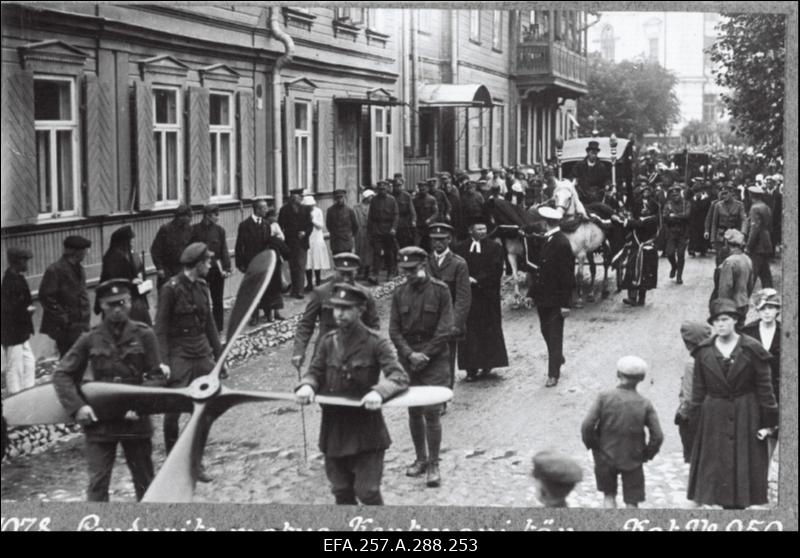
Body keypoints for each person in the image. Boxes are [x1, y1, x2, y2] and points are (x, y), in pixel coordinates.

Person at [295, 283, 409, 505]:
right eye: (336, 308)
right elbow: (315, 373)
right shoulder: (328, 342)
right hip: (334, 430)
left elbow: (399, 377)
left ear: (360, 310)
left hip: (366, 431)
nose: (339, 314)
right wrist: (307, 385)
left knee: (367, 491)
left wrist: (379, 392)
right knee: (341, 491)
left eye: (346, 309)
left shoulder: (376, 342)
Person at [52, 279, 166, 502]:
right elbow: (62, 374)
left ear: (130, 303)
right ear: (101, 306)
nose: (117, 309)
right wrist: (78, 407)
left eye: (122, 302)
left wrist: (139, 405)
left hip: (135, 421)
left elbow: (157, 376)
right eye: (110, 304)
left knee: (145, 482)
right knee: (97, 483)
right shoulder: (90, 338)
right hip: (101, 422)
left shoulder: (144, 335)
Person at [687, 299, 778, 509]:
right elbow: (698, 392)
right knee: (713, 474)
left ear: (735, 320)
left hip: (746, 415)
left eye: (725, 319)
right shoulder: (703, 352)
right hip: (713, 417)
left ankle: (736, 512)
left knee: (742, 474)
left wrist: (769, 422)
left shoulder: (753, 349)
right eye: (716, 321)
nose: (720, 324)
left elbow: (765, 390)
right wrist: (695, 422)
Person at [154, 243, 222, 483]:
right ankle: (173, 460)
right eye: (208, 262)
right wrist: (163, 362)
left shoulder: (203, 286)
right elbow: (160, 329)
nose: (211, 265)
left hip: (201, 352)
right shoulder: (170, 289)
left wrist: (219, 356)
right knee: (173, 410)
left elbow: (210, 324)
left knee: (206, 408)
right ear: (197, 264)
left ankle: (195, 462)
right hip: (180, 353)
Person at [389, 247, 454, 488]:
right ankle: (421, 459)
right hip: (409, 360)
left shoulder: (440, 291)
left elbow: (445, 327)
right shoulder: (399, 293)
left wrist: (425, 354)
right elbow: (394, 330)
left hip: (434, 359)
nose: (408, 275)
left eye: (412, 270)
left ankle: (434, 464)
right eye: (404, 271)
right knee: (414, 411)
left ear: (424, 266)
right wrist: (409, 354)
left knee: (432, 412)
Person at [581, 355, 664, 509]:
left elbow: (587, 425)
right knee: (632, 502)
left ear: (618, 374)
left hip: (605, 456)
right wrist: (646, 454)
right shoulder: (644, 403)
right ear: (642, 378)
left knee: (608, 495)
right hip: (633, 458)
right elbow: (657, 436)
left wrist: (594, 446)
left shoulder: (604, 397)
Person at [291, 253, 380, 372]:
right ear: (335, 271)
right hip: (325, 354)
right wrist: (299, 351)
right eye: (342, 274)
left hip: (356, 353)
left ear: (356, 272)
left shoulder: (365, 294)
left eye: (350, 274)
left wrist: (371, 351)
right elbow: (306, 324)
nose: (346, 279)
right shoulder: (321, 293)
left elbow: (373, 324)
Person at [454, 220, 508, 381]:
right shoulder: (460, 248)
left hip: (487, 295)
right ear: (471, 230)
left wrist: (477, 280)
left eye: (484, 228)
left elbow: (496, 268)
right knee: (469, 330)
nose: (483, 231)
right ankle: (470, 368)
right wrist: (465, 280)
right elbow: (456, 267)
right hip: (468, 296)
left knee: (487, 328)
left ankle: (487, 364)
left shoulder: (495, 247)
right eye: (479, 228)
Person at [530, 207, 574, 387]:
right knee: (545, 331)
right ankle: (558, 356)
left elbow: (567, 275)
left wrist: (565, 304)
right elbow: (541, 271)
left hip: (556, 299)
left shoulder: (561, 243)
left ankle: (553, 374)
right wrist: (531, 294)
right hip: (543, 298)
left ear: (545, 223)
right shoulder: (548, 240)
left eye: (541, 222)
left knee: (554, 334)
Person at [427, 223, 471, 389]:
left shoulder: (459, 264)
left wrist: (456, 324)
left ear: (449, 240)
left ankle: (443, 397)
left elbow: (463, 297)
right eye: (434, 240)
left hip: (448, 322)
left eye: (442, 240)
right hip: (428, 321)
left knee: (446, 360)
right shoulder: (425, 262)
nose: (438, 243)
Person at [39, 235, 92, 356]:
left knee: (80, 359)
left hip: (80, 323)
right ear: (74, 251)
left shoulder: (79, 269)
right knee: (69, 359)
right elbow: (46, 297)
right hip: (65, 327)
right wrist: (63, 317)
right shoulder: (55, 270)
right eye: (84, 250)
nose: (86, 253)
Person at [236, 199, 286, 324]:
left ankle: (269, 313)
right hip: (251, 262)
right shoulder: (245, 225)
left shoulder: (266, 224)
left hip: (264, 262)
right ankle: (254, 316)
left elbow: (268, 243)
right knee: (253, 290)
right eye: (264, 208)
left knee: (266, 288)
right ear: (257, 209)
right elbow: (239, 246)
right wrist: (240, 264)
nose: (266, 210)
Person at [96, 226, 152, 326]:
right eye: (130, 240)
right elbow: (113, 280)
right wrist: (131, 282)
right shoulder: (112, 258)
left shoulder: (130, 254)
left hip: (136, 299)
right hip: (120, 301)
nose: (132, 243)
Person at [674, 321, 711, 464]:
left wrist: (682, 414)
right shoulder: (712, 356)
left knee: (693, 457)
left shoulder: (692, 363)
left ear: (687, 343)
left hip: (694, 416)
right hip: (712, 412)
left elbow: (689, 396)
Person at [190, 204, 232, 332]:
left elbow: (224, 249)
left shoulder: (219, 230)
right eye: (216, 215)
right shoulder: (194, 230)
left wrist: (227, 267)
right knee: (200, 300)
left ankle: (218, 328)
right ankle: (202, 327)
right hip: (200, 270)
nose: (218, 218)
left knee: (217, 299)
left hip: (215, 269)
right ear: (207, 216)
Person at [1, 247, 36, 394]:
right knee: (14, 368)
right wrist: (26, 311)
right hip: (12, 332)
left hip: (21, 331)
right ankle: (14, 398)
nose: (27, 264)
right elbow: (8, 309)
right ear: (17, 261)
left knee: (29, 363)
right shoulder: (9, 282)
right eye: (24, 260)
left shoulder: (18, 278)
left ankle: (28, 394)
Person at [619, 186, 660, 307]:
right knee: (632, 269)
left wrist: (628, 222)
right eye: (642, 206)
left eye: (647, 206)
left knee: (645, 272)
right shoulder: (637, 214)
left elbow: (642, 225)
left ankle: (641, 298)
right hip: (636, 245)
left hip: (647, 246)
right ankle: (632, 297)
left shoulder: (653, 219)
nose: (644, 209)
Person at [279, 188, 313, 299]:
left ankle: (300, 291)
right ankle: (294, 290)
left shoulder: (306, 209)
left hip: (302, 242)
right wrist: (283, 238)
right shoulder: (284, 210)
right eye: (294, 197)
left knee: (300, 266)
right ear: (291, 198)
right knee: (292, 266)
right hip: (289, 242)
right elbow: (280, 226)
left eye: (299, 197)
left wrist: (305, 233)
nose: (297, 199)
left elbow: (310, 226)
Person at [150, 204, 194, 291]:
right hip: (167, 270)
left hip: (182, 269)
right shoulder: (166, 229)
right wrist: (159, 268)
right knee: (166, 293)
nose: (191, 219)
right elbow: (155, 250)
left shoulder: (189, 229)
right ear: (181, 217)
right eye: (189, 216)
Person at [716, 229, 754, 327]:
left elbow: (725, 287)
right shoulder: (747, 259)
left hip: (732, 306)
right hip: (744, 304)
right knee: (740, 332)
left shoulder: (729, 262)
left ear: (728, 244)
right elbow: (750, 284)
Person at [367, 181, 399, 284]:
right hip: (377, 230)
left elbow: (396, 215)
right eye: (380, 189)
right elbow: (370, 217)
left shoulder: (392, 200)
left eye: (384, 189)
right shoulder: (374, 201)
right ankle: (375, 274)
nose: (382, 191)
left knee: (389, 253)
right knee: (376, 253)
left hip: (388, 230)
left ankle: (390, 273)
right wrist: (370, 231)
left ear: (387, 189)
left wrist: (394, 228)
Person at [743, 185, 774, 289]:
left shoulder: (755, 208)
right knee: (765, 274)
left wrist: (748, 246)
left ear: (751, 196)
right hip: (766, 243)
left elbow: (754, 229)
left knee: (753, 274)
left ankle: (744, 300)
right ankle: (770, 296)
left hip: (757, 245)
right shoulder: (766, 207)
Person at [707, 184, 746, 264]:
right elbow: (714, 223)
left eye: (726, 193)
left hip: (734, 235)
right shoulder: (718, 205)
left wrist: (742, 233)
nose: (724, 195)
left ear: (731, 193)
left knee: (733, 258)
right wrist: (712, 239)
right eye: (722, 193)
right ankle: (719, 275)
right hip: (721, 235)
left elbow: (744, 220)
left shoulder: (739, 205)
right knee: (720, 258)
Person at [662, 184, 691, 284]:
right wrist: (679, 217)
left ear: (680, 193)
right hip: (671, 232)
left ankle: (679, 276)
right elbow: (665, 217)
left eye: (677, 194)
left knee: (681, 255)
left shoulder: (686, 203)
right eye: (673, 195)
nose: (675, 196)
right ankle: (674, 266)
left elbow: (687, 215)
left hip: (683, 232)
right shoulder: (668, 204)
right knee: (669, 253)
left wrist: (674, 215)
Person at [304, 194, 331, 291]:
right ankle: (309, 283)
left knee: (317, 260)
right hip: (307, 239)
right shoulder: (303, 212)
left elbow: (320, 226)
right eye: (308, 206)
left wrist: (312, 220)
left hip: (317, 238)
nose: (310, 207)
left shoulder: (318, 211)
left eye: (311, 205)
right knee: (308, 261)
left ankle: (318, 281)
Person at [573, 140, 610, 205]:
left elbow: (606, 179)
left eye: (595, 153)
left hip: (596, 195)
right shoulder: (579, 165)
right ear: (588, 152)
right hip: (582, 194)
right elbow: (574, 176)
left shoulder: (601, 167)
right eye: (592, 153)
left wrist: (607, 185)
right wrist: (575, 181)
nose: (594, 155)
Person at [326, 189, 359, 255]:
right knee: (337, 259)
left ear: (344, 197)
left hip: (346, 241)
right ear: (335, 199)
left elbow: (355, 226)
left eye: (341, 197)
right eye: (337, 197)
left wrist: (349, 235)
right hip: (336, 241)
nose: (339, 199)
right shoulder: (330, 210)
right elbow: (328, 225)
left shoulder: (349, 210)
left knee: (347, 261)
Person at [353, 189, 375, 280]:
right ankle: (359, 270)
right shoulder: (356, 207)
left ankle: (368, 270)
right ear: (366, 197)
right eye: (371, 196)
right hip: (360, 231)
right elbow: (354, 219)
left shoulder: (373, 207)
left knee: (369, 251)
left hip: (370, 231)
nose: (372, 198)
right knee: (359, 250)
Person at [413, 181, 439, 253]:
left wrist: (430, 219)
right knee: (416, 246)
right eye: (420, 189)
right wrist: (414, 220)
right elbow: (413, 212)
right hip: (419, 227)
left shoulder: (432, 199)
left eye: (424, 189)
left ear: (427, 189)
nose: (422, 190)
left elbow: (436, 212)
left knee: (431, 246)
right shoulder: (415, 200)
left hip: (429, 226)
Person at [391, 177, 417, 249]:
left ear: (402, 186)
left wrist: (413, 220)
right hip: (392, 223)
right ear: (393, 186)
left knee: (405, 243)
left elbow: (412, 210)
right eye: (396, 186)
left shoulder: (406, 196)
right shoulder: (390, 196)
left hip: (404, 223)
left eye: (399, 185)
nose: (398, 187)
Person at [687, 181, 712, 257]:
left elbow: (708, 210)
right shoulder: (692, 200)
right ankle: (692, 249)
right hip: (694, 220)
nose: (697, 193)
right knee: (693, 235)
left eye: (698, 192)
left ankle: (703, 249)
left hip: (703, 219)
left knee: (702, 235)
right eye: (695, 192)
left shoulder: (706, 200)